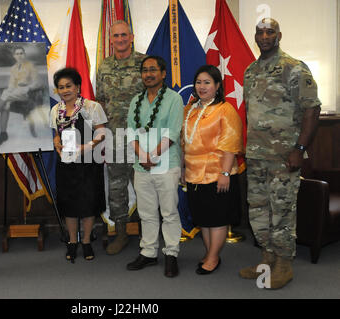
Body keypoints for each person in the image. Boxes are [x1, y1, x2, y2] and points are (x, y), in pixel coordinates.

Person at [240, 18, 321, 289]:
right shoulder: (250, 70)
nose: (264, 36)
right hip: (256, 155)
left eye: (269, 32)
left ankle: (284, 264)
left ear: (279, 35)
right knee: (259, 210)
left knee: (282, 212)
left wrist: (299, 149)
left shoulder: (294, 68)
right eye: (260, 32)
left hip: (284, 156)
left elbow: (312, 109)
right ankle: (267, 260)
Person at [181, 65, 243, 275]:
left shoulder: (225, 109)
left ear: (217, 86)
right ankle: (209, 253)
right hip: (193, 174)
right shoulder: (189, 110)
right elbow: (184, 142)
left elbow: (230, 144)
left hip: (217, 173)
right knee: (203, 219)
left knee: (217, 219)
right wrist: (183, 167)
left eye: (207, 82)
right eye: (199, 82)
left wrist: (225, 173)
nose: (202, 86)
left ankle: (213, 257)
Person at [126, 56, 183, 278]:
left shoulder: (174, 99)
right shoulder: (135, 101)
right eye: (144, 70)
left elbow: (173, 132)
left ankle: (171, 253)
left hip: (166, 164)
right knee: (147, 212)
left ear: (163, 73)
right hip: (142, 167)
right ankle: (149, 252)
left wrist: (153, 155)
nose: (148, 74)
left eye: (153, 70)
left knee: (169, 212)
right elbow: (131, 131)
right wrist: (143, 156)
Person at [95, 20, 146, 255]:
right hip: (116, 136)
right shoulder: (104, 66)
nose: (121, 39)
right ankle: (122, 233)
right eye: (116, 36)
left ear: (132, 36)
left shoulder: (145, 63)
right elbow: (101, 100)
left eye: (124, 35)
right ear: (111, 38)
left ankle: (149, 233)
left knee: (145, 185)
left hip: (143, 135)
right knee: (116, 187)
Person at [50, 68, 107, 263]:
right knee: (69, 203)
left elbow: (102, 133)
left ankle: (86, 240)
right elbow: (57, 133)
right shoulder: (55, 110)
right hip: (66, 164)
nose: (65, 90)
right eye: (61, 87)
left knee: (89, 202)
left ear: (78, 87)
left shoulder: (92, 107)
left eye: (69, 86)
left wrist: (86, 146)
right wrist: (56, 141)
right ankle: (72, 241)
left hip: (89, 162)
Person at [0, 46, 40, 146]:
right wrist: (10, 89)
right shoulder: (13, 68)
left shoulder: (30, 66)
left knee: (5, 95)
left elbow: (36, 82)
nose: (19, 55)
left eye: (21, 53)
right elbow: (11, 84)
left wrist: (27, 88)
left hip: (28, 94)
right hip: (15, 94)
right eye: (17, 54)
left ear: (24, 54)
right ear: (14, 56)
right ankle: (3, 133)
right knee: (5, 103)